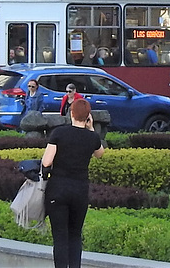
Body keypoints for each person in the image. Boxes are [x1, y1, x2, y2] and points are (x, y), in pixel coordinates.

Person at [41, 99, 104, 268]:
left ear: (71, 113)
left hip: (58, 191)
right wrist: (91, 129)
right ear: (88, 116)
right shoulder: (92, 138)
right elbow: (100, 154)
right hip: (80, 191)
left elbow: (46, 162)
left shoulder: (59, 133)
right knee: (75, 235)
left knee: (60, 236)